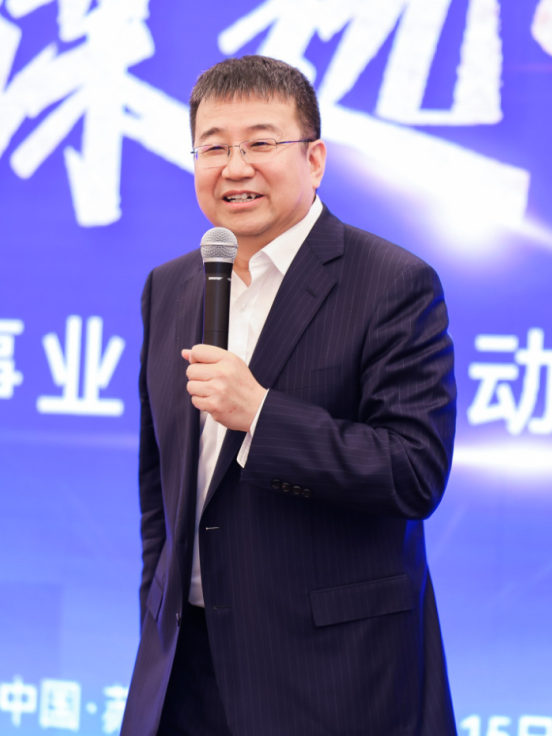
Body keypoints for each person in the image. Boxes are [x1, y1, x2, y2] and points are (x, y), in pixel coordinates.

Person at [122, 55, 458, 736]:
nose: (235, 167)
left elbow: (414, 471)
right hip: (183, 674)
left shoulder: (392, 283)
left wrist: (261, 415)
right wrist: (157, 615)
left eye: (261, 143)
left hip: (331, 679)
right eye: (214, 147)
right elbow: (161, 487)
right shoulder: (172, 286)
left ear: (315, 159)